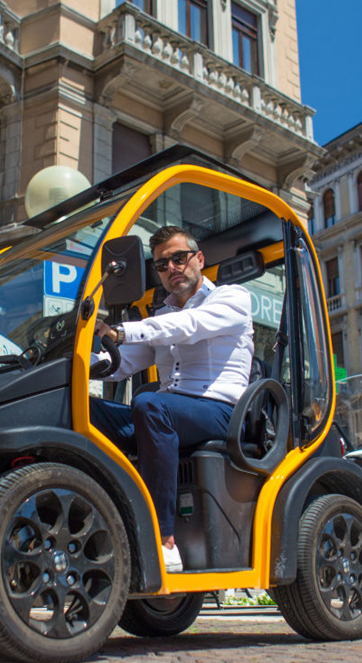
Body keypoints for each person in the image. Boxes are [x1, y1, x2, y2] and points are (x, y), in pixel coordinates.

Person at [90, 225, 254, 573]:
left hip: (219, 412)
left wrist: (121, 331)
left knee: (149, 403)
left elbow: (189, 325)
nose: (171, 268)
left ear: (199, 258)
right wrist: (74, 365)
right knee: (84, 408)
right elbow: (121, 365)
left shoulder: (231, 299)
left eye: (178, 258)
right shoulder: (162, 317)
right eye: (162, 265)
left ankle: (162, 538)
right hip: (166, 416)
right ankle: (97, 518)